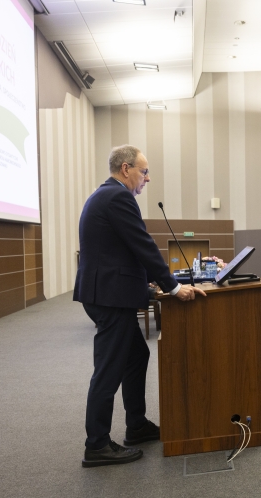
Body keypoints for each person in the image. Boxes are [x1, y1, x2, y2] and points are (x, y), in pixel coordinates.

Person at [74, 145, 206, 467]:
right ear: (125, 169)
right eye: (144, 171)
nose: (147, 178)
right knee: (108, 369)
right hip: (110, 296)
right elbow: (142, 245)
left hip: (109, 291)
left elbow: (125, 250)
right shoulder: (118, 197)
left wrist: (152, 282)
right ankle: (97, 444)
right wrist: (172, 287)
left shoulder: (105, 196)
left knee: (137, 354)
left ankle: (136, 425)